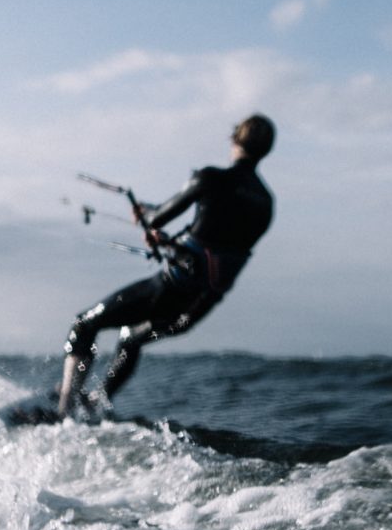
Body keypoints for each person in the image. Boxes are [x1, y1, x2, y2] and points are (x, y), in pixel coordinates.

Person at [55, 114, 275, 418]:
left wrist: (146, 214)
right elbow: (219, 241)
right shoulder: (266, 204)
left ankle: (65, 408)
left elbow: (158, 219)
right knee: (131, 338)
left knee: (84, 325)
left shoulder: (210, 178)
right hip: (196, 308)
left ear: (235, 139)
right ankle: (96, 403)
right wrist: (170, 239)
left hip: (170, 289)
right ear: (266, 150)